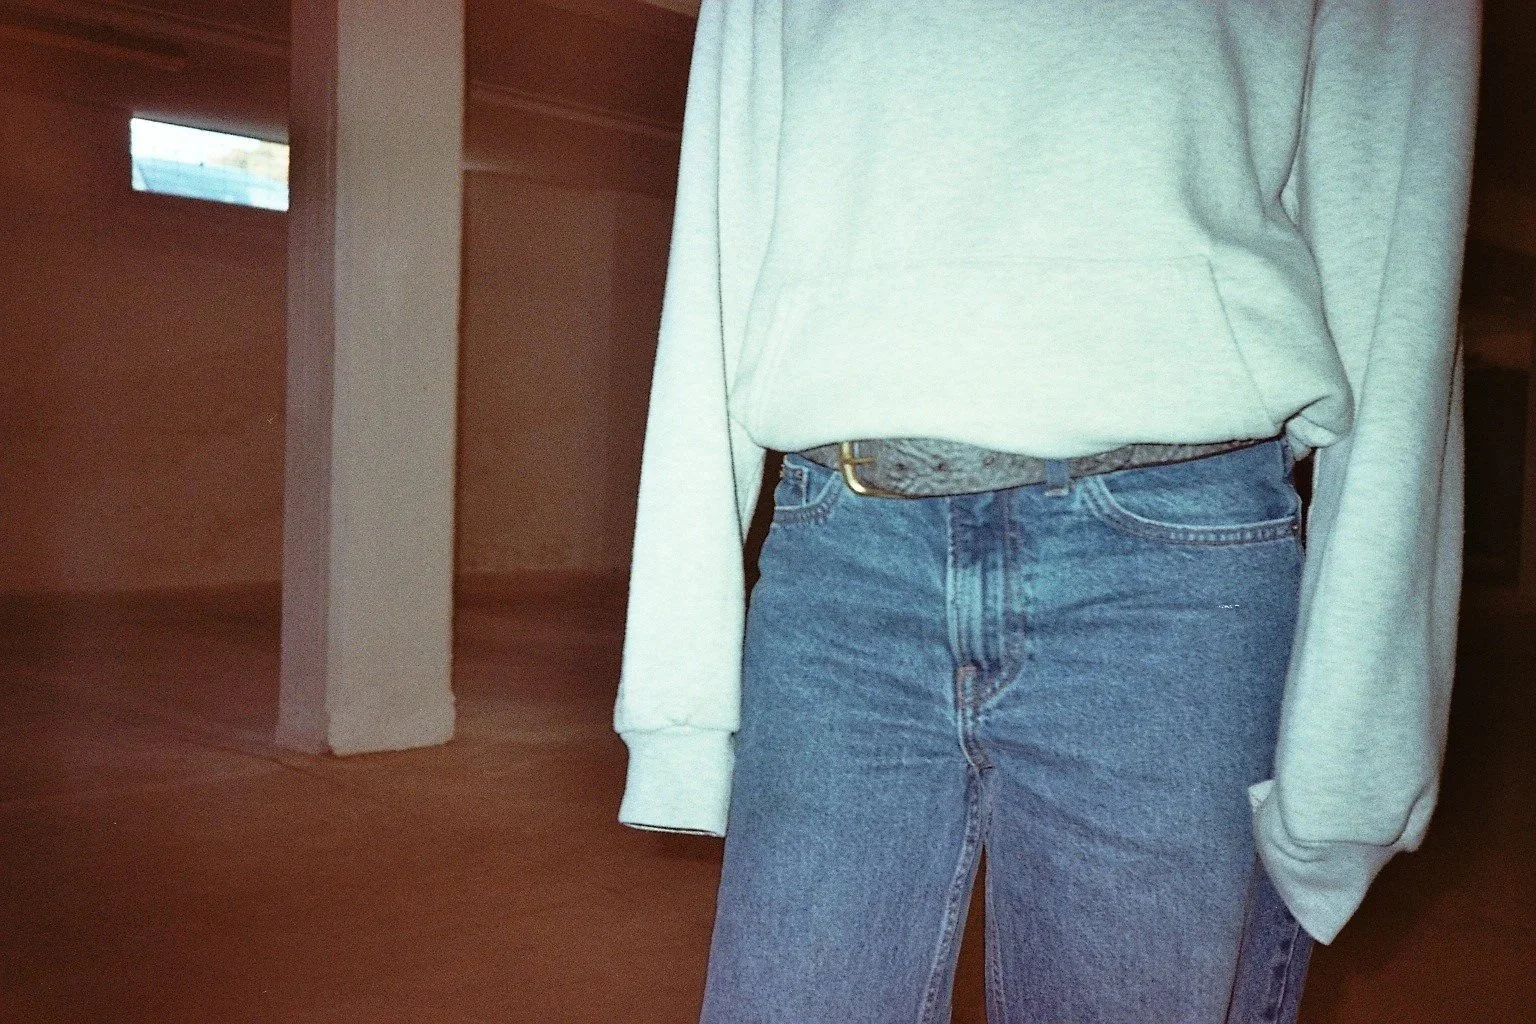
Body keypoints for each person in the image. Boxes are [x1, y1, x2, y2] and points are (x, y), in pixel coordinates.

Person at [612, 1, 1480, 1021]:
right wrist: (676, 699)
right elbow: (722, 224)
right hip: (844, 557)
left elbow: (1397, 281)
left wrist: (1359, 753)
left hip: (1173, 584)